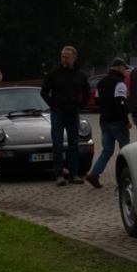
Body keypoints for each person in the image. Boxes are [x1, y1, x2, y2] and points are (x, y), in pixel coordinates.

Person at [41, 44, 89, 185]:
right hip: (58, 113)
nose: (64, 59)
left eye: (67, 57)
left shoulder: (80, 75)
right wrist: (53, 105)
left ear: (74, 57)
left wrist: (81, 105)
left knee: (74, 144)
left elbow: (86, 92)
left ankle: (74, 174)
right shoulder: (54, 73)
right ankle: (59, 175)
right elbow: (44, 92)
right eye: (62, 56)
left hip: (73, 113)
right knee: (57, 144)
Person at [85, 57, 132, 188]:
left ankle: (94, 174)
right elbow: (121, 103)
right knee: (126, 150)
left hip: (104, 121)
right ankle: (125, 178)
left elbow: (97, 101)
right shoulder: (120, 83)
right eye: (124, 68)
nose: (125, 71)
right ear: (119, 67)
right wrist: (126, 120)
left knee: (107, 150)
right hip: (118, 121)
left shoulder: (101, 83)